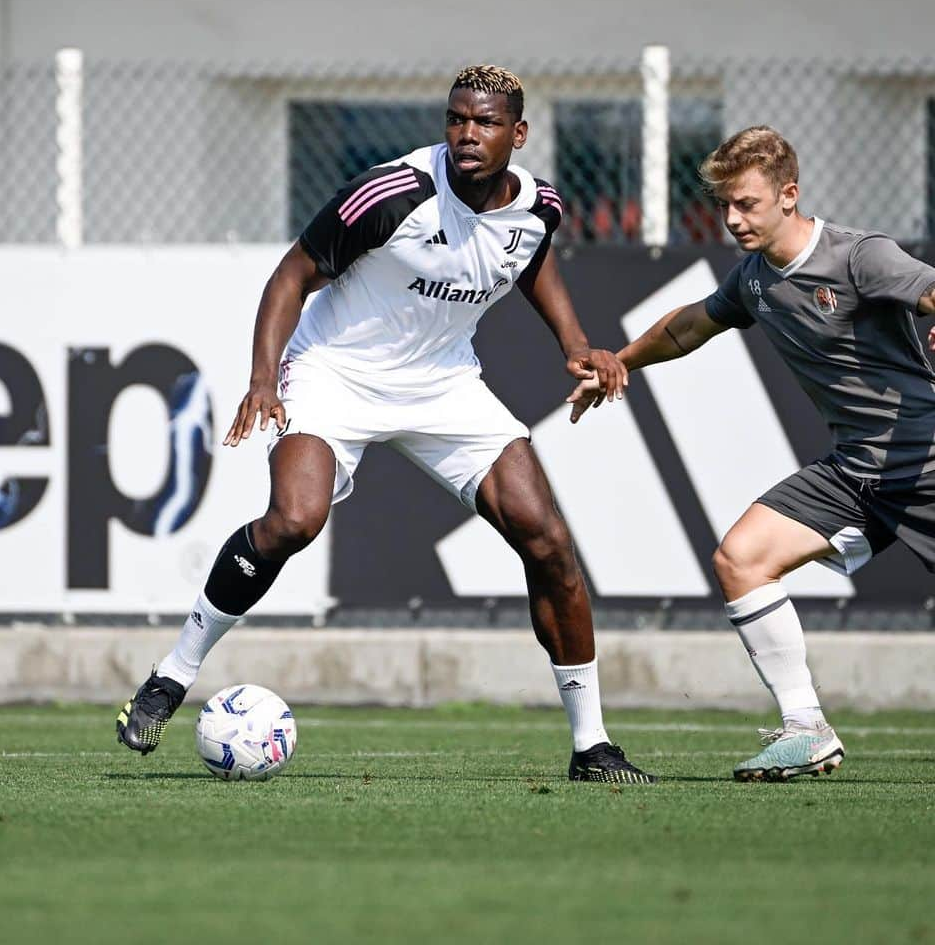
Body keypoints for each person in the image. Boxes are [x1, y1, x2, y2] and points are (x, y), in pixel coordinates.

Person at [117, 65, 655, 783]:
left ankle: (592, 746)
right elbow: (291, 275)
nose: (468, 134)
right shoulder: (393, 192)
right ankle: (172, 675)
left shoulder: (539, 206)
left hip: (443, 385)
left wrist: (575, 345)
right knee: (293, 521)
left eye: (486, 122)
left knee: (549, 541)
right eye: (457, 119)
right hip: (335, 373)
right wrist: (260, 379)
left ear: (517, 134)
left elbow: (530, 259)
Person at [568, 125, 935, 781]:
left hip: (925, 460)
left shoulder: (859, 257)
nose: (732, 219)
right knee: (740, 559)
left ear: (789, 195)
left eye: (746, 204)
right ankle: (806, 728)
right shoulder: (754, 280)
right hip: (856, 472)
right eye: (725, 207)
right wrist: (618, 364)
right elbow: (687, 327)